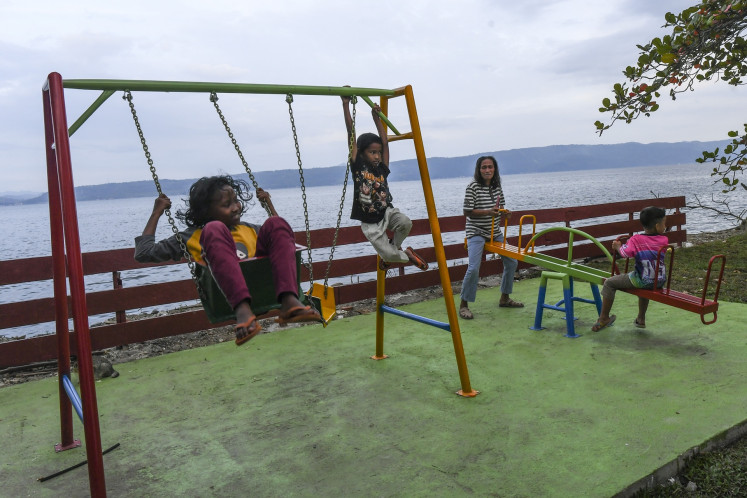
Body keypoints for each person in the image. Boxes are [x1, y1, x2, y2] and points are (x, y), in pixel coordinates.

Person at [134, 175, 320, 346]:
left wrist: (269, 205)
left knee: (276, 223)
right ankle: (243, 310)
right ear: (206, 211)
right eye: (226, 204)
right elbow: (144, 253)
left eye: (236, 201)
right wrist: (156, 213)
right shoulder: (192, 236)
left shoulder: (251, 229)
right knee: (214, 228)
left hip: (267, 288)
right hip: (225, 299)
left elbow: (283, 242)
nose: (236, 207)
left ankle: (288, 301)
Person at [341, 92, 428, 272]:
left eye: (378, 152)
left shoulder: (382, 168)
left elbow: (386, 143)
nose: (377, 156)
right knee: (387, 255)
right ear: (362, 152)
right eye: (373, 152)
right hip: (370, 222)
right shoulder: (358, 166)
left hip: (387, 211)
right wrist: (345, 105)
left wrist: (376, 118)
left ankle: (395, 249)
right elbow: (351, 133)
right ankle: (405, 256)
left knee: (405, 223)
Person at [459, 156, 523, 319]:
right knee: (473, 267)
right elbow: (467, 212)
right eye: (484, 167)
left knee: (512, 261)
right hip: (476, 231)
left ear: (495, 169)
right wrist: (488, 212)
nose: (487, 170)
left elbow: (500, 209)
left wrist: (506, 213)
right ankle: (464, 305)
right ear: (479, 170)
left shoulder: (497, 187)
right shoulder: (472, 187)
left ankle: (505, 298)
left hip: (495, 233)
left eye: (490, 167)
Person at [592, 206, 669, 331]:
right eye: (664, 223)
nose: (665, 226)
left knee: (609, 283)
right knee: (644, 282)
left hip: (642, 280)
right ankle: (641, 319)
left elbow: (625, 254)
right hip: (658, 280)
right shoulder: (664, 239)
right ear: (657, 226)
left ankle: (603, 318)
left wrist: (618, 247)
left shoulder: (636, 239)